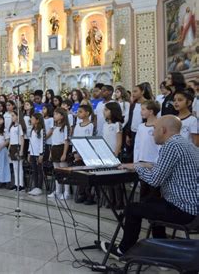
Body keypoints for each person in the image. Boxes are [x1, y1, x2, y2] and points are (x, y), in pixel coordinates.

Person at [101, 115, 198, 260]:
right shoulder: (186, 144)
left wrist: (136, 168)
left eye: (155, 129)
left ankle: (123, 251)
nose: (153, 133)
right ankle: (162, 252)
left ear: (163, 130)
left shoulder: (170, 146)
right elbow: (166, 167)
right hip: (192, 208)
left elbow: (154, 180)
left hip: (182, 210)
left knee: (132, 208)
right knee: (150, 203)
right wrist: (143, 164)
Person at [72, 105, 95, 205]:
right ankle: (82, 194)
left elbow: (89, 140)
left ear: (87, 113)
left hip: (87, 154)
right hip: (78, 154)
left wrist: (85, 153)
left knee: (87, 175)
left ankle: (89, 195)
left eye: (81, 111)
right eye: (78, 112)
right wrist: (75, 153)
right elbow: (75, 139)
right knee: (80, 175)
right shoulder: (77, 125)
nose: (78, 113)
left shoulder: (91, 125)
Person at [48, 108, 70, 200]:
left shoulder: (65, 127)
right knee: (57, 172)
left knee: (64, 172)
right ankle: (58, 191)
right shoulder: (54, 128)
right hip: (54, 149)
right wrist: (50, 153)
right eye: (54, 114)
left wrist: (64, 153)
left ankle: (67, 192)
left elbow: (66, 141)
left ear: (62, 116)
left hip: (61, 148)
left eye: (56, 114)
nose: (54, 116)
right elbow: (53, 141)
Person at [27, 113, 45, 196]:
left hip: (39, 154)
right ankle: (35, 187)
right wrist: (29, 153)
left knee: (39, 171)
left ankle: (39, 188)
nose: (31, 120)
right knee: (34, 171)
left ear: (37, 120)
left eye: (33, 118)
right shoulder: (32, 130)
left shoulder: (41, 130)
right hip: (33, 153)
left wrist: (41, 154)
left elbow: (42, 143)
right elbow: (31, 142)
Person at [8, 111, 26, 191]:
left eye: (13, 115)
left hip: (18, 146)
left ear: (17, 117)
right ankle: (16, 183)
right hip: (12, 146)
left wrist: (21, 149)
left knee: (19, 166)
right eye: (11, 116)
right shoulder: (12, 127)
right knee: (15, 167)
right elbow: (11, 139)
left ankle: (21, 184)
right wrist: (9, 148)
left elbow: (22, 139)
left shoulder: (19, 126)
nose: (12, 117)